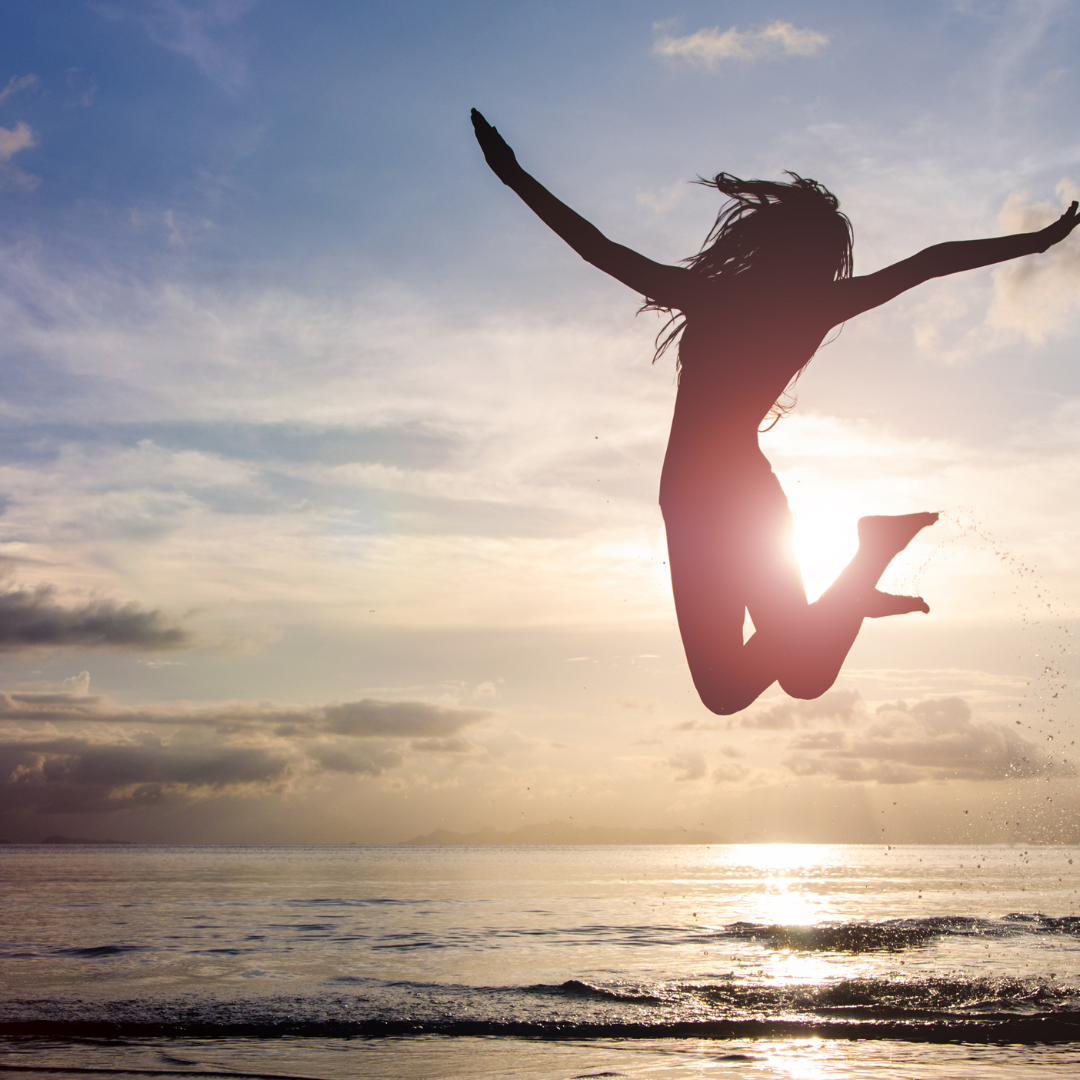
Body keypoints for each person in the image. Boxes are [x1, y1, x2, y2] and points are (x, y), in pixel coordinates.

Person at [471, 109, 1080, 715]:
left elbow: (598, 250)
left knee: (728, 690)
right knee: (805, 675)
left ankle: (861, 569)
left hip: (694, 495)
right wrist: (1039, 241)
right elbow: (930, 260)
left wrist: (515, 178)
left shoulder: (711, 298)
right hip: (747, 489)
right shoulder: (818, 306)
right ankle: (865, 560)